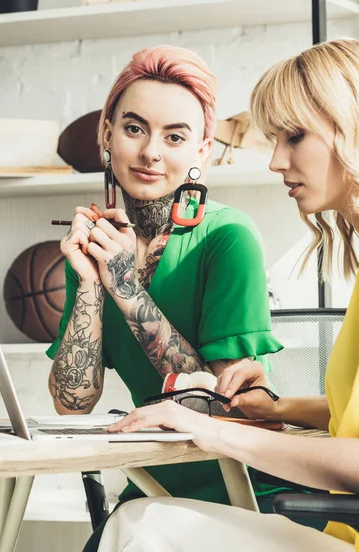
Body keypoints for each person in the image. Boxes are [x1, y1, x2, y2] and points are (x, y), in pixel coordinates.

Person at [98, 38, 359, 552]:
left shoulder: (226, 234)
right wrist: (276, 408)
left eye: (295, 136)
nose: (275, 160)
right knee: (136, 519)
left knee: (141, 527)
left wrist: (207, 427)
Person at [46, 45, 282, 549]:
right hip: (152, 487)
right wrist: (91, 283)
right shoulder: (99, 243)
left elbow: (220, 401)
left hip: (247, 494)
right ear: (107, 135)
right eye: (135, 129)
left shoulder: (229, 237)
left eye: (175, 136)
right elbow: (73, 403)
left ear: (202, 150)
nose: (151, 151)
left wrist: (126, 288)